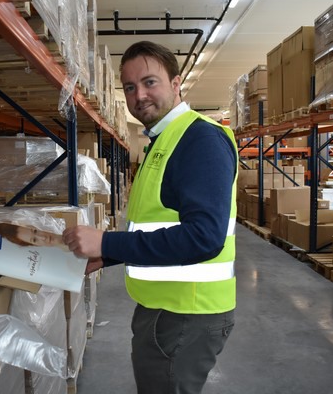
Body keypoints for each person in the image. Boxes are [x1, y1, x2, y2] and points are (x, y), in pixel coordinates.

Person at [62, 41, 238, 394]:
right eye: (129, 87)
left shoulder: (199, 139)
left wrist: (107, 242)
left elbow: (204, 238)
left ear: (176, 83)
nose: (139, 95)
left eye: (149, 82)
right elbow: (161, 223)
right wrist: (109, 255)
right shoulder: (164, 139)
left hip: (186, 313)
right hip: (168, 309)